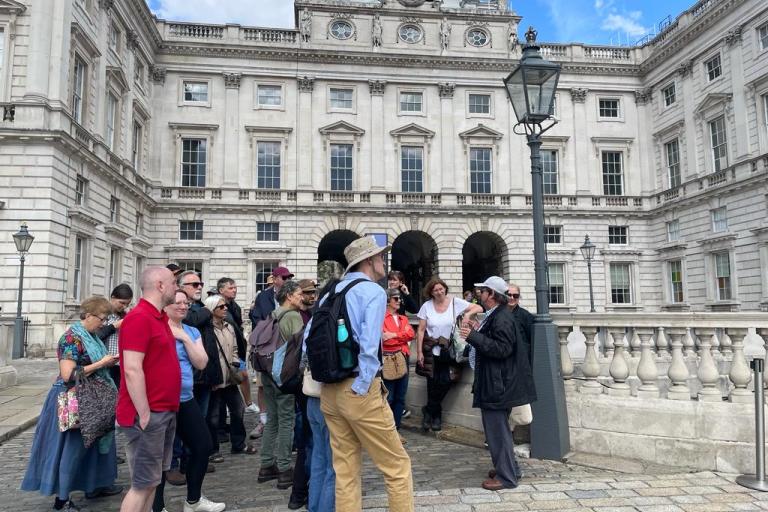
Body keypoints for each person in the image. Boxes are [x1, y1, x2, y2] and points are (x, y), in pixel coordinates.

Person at [311, 236, 414, 512]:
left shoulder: (329, 291)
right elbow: (369, 346)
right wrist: (364, 384)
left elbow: (310, 336)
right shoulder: (373, 292)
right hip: (358, 388)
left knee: (345, 470)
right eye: (381, 257)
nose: (384, 261)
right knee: (397, 466)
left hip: (329, 390)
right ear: (369, 261)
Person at [22, 297, 122, 512]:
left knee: (93, 448)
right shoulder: (71, 338)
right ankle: (62, 500)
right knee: (71, 450)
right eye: (102, 319)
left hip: (94, 398)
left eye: (106, 320)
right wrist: (102, 363)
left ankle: (93, 485)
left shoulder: (92, 336)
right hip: (74, 399)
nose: (104, 324)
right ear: (88, 315)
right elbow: (68, 374)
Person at [459, 276, 536, 491]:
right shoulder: (498, 315)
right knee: (499, 431)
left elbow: (502, 349)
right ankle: (510, 469)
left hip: (498, 385)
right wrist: (478, 331)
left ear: (491, 294)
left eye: (482, 291)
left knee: (497, 433)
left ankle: (507, 477)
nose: (479, 294)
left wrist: (473, 336)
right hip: (498, 382)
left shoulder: (501, 317)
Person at [152, 291, 224, 512]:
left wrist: (183, 337)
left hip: (186, 398)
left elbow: (201, 362)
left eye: (187, 303)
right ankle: (157, 506)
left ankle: (193, 501)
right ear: (165, 306)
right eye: (178, 303)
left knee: (202, 446)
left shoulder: (191, 331)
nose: (184, 307)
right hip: (161, 400)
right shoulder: (156, 329)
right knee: (159, 456)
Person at [117, 267, 181, 512]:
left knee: (152, 481)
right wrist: (144, 413)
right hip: (148, 415)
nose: (177, 287)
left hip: (163, 411)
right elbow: (132, 369)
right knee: (142, 484)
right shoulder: (139, 318)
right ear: (160, 285)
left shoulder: (159, 317)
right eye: (173, 282)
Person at [416, 277, 482, 432]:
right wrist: (419, 351)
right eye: (435, 290)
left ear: (445, 289)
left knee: (446, 381)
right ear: (431, 292)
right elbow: (420, 330)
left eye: (441, 289)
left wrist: (467, 315)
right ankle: (435, 416)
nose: (439, 292)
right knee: (432, 384)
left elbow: (479, 308)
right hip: (431, 350)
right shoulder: (427, 306)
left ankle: (428, 410)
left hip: (449, 349)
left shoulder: (455, 302)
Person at [258, 280, 303, 490]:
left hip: (266, 371)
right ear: (289, 296)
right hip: (282, 374)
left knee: (273, 419)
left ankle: (266, 465)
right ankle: (285, 469)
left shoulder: (273, 314)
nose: (302, 297)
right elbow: (301, 346)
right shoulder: (293, 316)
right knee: (287, 420)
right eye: (299, 294)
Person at [204, 294, 253, 457]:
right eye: (221, 307)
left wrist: (235, 363)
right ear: (212, 309)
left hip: (230, 378)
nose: (225, 309)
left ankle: (238, 443)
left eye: (225, 306)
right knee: (213, 416)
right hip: (215, 378)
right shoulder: (206, 329)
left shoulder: (229, 327)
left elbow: (234, 349)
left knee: (238, 410)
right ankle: (212, 449)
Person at [217, 277, 257, 414]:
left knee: (242, 376)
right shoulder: (217, 307)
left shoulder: (234, 306)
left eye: (235, 287)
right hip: (225, 350)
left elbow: (238, 327)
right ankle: (232, 407)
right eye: (230, 288)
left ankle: (248, 403)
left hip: (237, 349)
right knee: (235, 378)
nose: (234, 290)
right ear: (221, 290)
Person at [382, 287, 414, 441]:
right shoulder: (382, 317)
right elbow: (384, 340)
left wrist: (394, 335)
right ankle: (388, 430)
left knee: (400, 396)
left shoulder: (403, 318)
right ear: (388, 301)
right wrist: (401, 337)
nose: (399, 301)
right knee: (389, 396)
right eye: (396, 299)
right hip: (389, 358)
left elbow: (411, 334)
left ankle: (396, 428)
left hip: (403, 357)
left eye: (399, 298)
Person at [96, 283, 133, 388]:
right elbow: (95, 336)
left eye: (127, 304)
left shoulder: (125, 315)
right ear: (112, 297)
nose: (124, 306)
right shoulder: (101, 314)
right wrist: (115, 326)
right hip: (103, 365)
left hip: (120, 365)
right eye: (122, 303)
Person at [508, 282, 534, 366]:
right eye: (509, 295)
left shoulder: (526, 315)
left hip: (520, 361)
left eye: (515, 295)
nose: (512, 297)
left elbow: (531, 339)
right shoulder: (498, 314)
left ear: (519, 297)